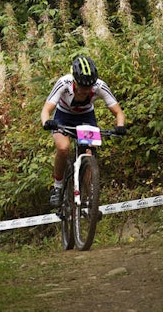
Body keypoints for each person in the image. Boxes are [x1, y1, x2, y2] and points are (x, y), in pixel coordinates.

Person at [40, 54, 126, 208]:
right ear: (74, 81)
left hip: (86, 117)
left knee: (89, 152)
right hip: (63, 117)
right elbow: (46, 109)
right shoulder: (63, 83)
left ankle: (90, 192)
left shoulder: (99, 86)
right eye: (81, 87)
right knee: (63, 148)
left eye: (88, 88)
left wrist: (120, 126)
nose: (85, 91)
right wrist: (47, 122)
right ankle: (58, 187)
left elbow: (118, 112)